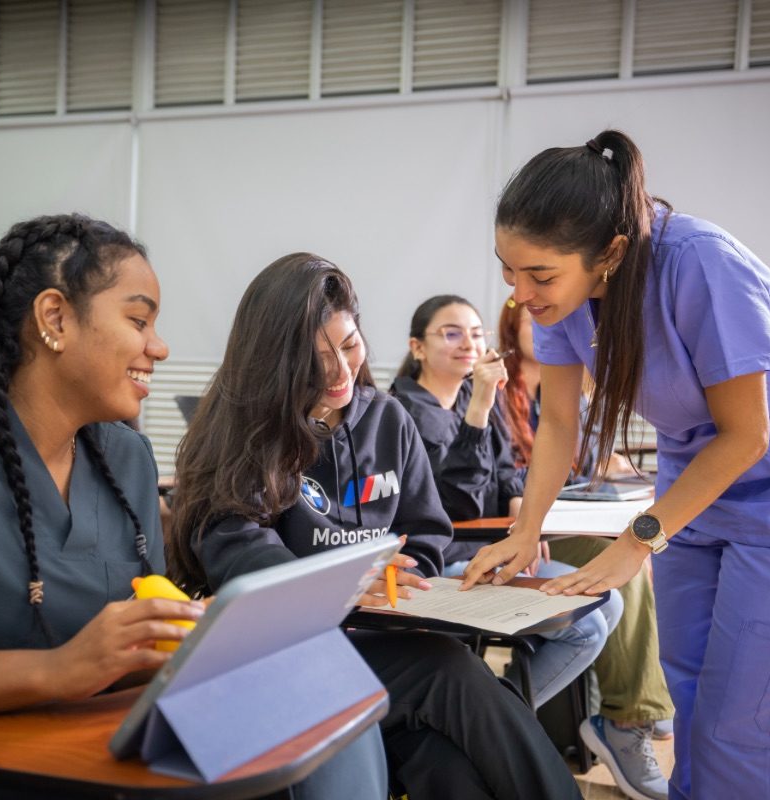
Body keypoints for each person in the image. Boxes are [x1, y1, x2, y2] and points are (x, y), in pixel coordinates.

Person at [0, 215, 385, 800]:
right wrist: (57, 670)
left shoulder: (125, 458)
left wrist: (198, 636)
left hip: (92, 753)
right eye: (139, 320)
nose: (159, 347)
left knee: (320, 688)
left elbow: (127, 653)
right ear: (54, 318)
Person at [463, 130, 770, 800]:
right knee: (691, 687)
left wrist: (637, 542)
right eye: (509, 271)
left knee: (747, 719)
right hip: (693, 473)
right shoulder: (561, 303)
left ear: (612, 254)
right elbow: (560, 421)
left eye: (539, 275)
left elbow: (747, 435)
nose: (522, 294)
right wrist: (524, 531)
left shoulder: (701, 264)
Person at [167, 253, 583, 800]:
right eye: (317, 358)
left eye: (349, 345)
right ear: (274, 359)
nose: (341, 371)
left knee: (449, 766)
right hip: (283, 654)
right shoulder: (241, 436)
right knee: (447, 670)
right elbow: (241, 560)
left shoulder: (386, 417)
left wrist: (409, 580)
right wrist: (346, 582)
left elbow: (428, 530)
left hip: (379, 639)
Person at [390, 293, 622, 713]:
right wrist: (480, 404)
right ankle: (502, 716)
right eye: (452, 333)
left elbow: (504, 470)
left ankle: (501, 715)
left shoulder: (470, 398)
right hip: (446, 558)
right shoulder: (401, 412)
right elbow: (454, 507)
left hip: (490, 547)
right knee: (585, 627)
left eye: (476, 334)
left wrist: (519, 505)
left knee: (610, 601)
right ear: (417, 348)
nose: (469, 344)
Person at [499, 297, 675, 799]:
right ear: (510, 330)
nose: (546, 327)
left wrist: (606, 460)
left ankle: (643, 705)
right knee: (625, 568)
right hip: (525, 531)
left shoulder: (571, 391)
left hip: (567, 517)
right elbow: (500, 480)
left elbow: (583, 468)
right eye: (530, 321)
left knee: (647, 551)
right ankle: (629, 719)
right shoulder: (493, 394)